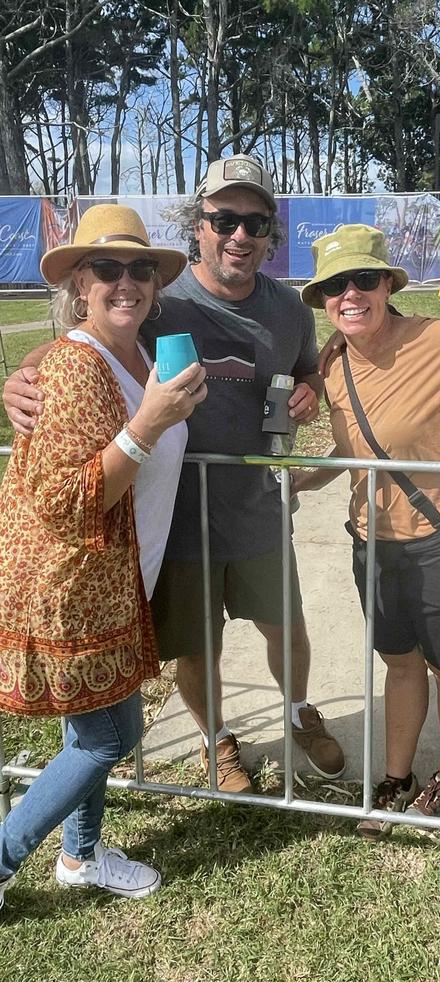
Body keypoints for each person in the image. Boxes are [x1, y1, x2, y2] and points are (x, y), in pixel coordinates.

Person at [2, 155, 345, 791]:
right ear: (199, 227)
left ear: (271, 233)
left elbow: (304, 370)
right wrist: (21, 376)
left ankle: (299, 712)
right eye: (224, 220)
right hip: (178, 515)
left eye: (256, 222)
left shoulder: (291, 311)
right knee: (197, 644)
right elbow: (85, 334)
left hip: (258, 506)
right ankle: (217, 741)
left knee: (285, 626)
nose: (240, 234)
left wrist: (309, 387)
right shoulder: (160, 301)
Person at [0, 204, 207, 909]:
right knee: (110, 733)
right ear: (78, 284)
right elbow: (64, 500)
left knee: (88, 724)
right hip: (73, 584)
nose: (128, 283)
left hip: (114, 579)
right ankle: (2, 859)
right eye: (108, 269)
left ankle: (81, 855)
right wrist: (149, 423)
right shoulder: (77, 367)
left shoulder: (145, 354)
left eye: (140, 268)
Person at [292, 224, 440, 838]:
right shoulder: (334, 364)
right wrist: (304, 480)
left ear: (388, 285)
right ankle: (397, 777)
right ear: (322, 297)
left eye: (364, 280)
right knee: (399, 663)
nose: (350, 294)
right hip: (369, 542)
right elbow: (358, 453)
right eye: (334, 285)